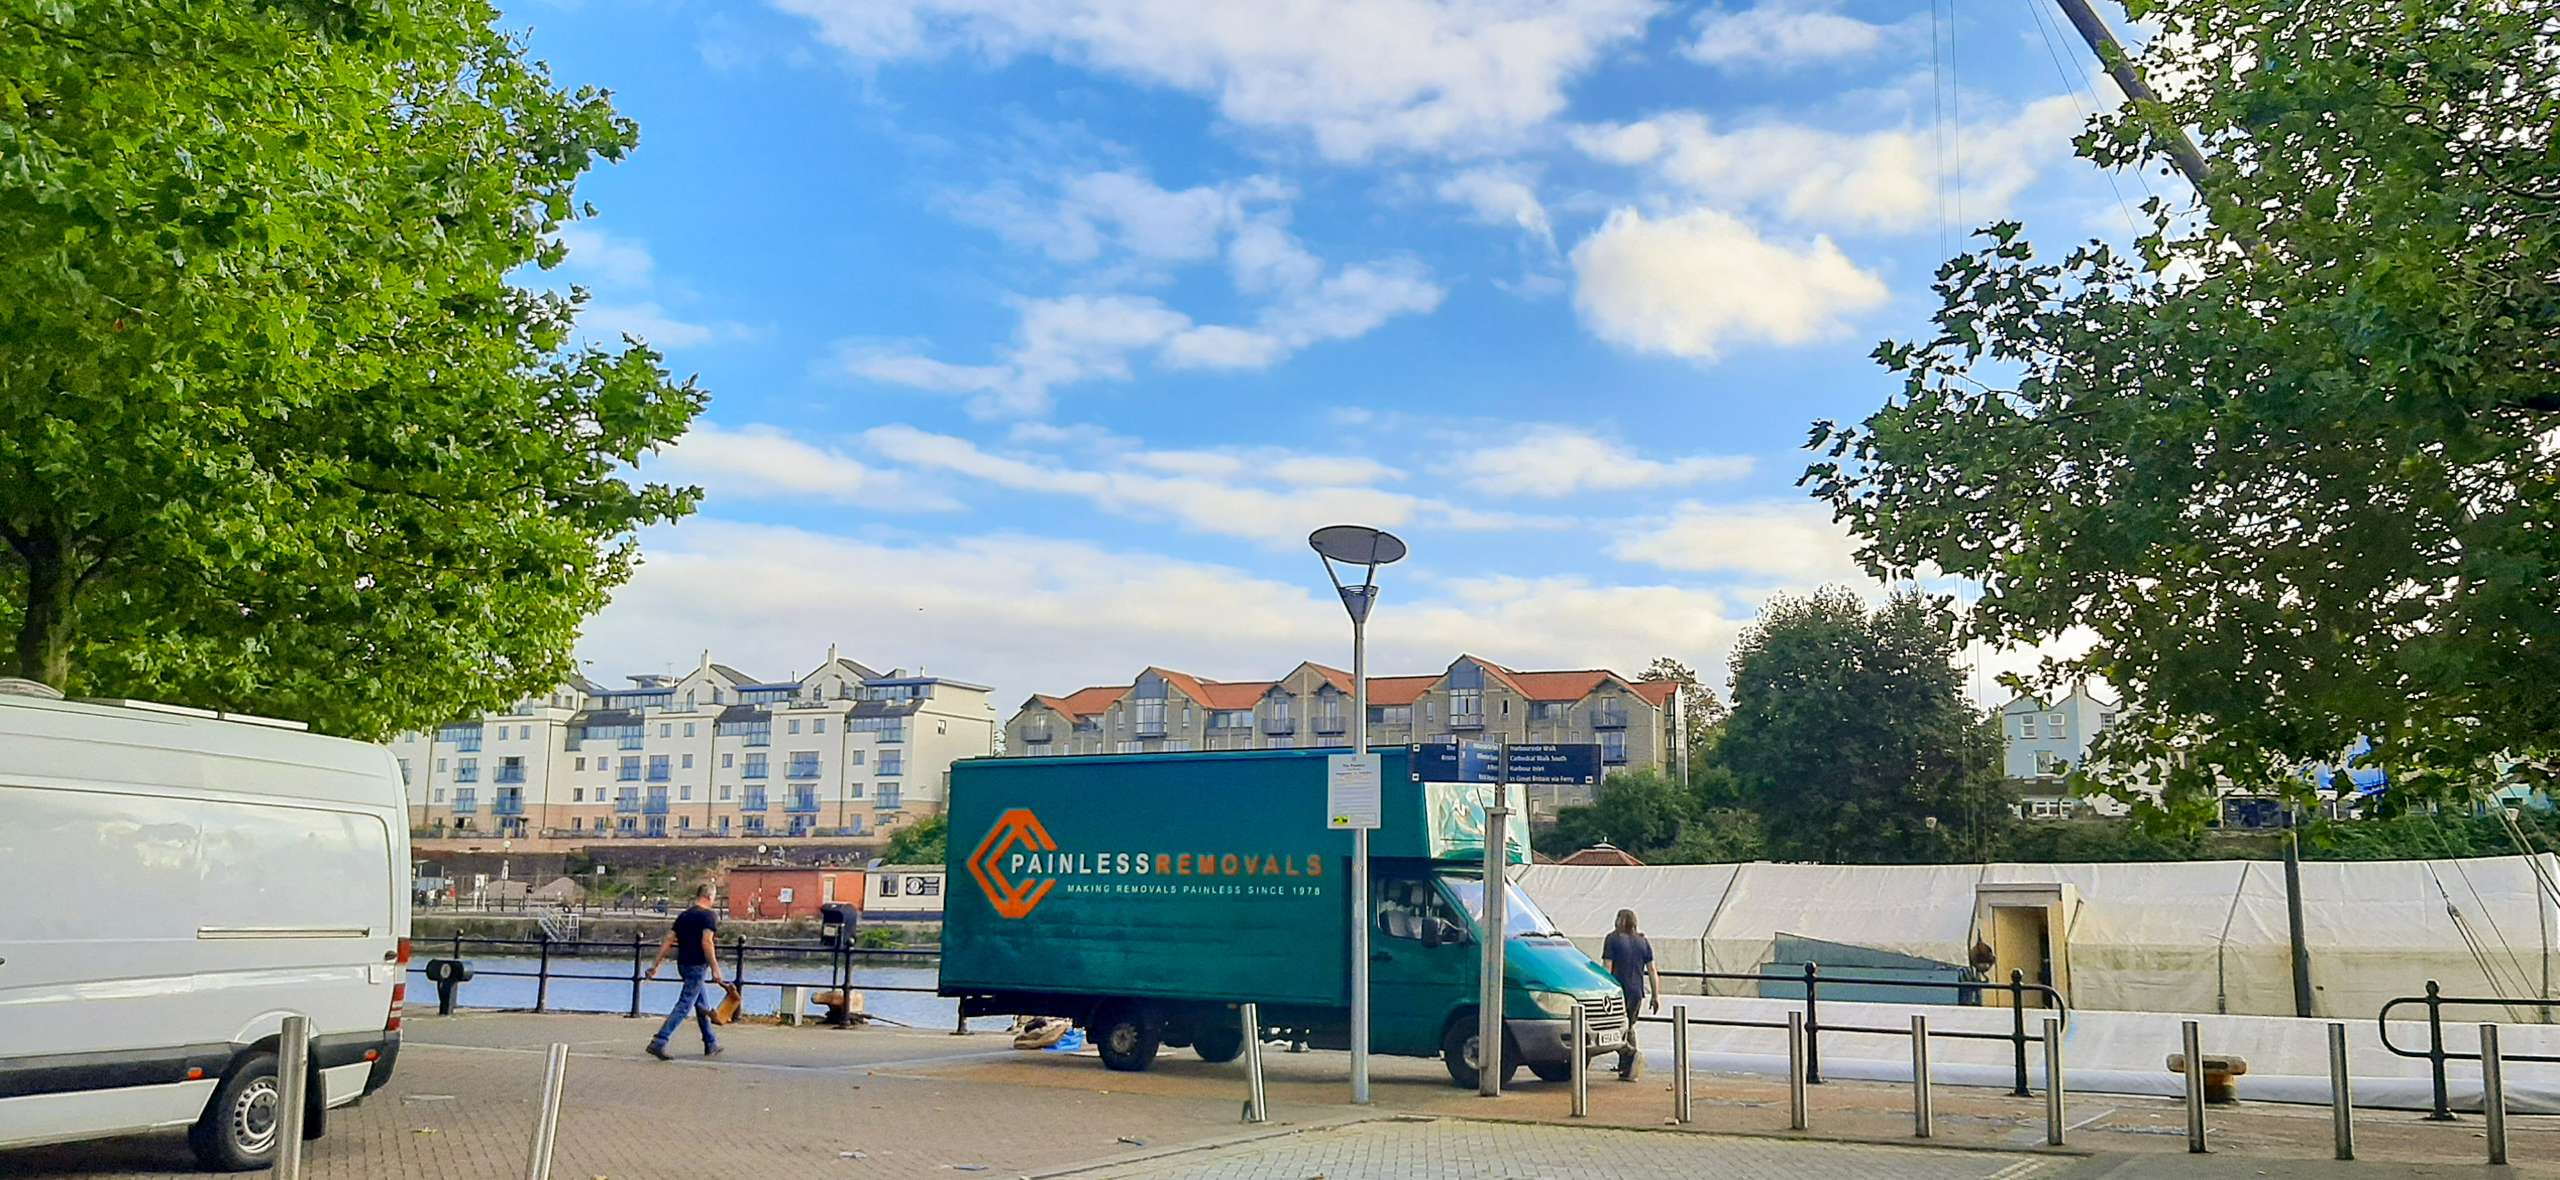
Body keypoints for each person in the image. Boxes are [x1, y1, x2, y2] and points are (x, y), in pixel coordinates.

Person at [643, 883, 728, 1059]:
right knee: (685, 1004)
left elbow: (668, 941)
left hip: (683, 964)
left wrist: (655, 965)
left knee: (701, 1003)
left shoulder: (684, 916)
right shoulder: (709, 916)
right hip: (697, 965)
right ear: (710, 896)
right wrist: (715, 968)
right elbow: (707, 942)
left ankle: (710, 1042)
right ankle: (660, 1040)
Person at [1601, 908, 1661, 1081]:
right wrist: (1655, 995)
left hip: (1618, 991)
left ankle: (1631, 1055)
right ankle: (1627, 1067)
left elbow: (1607, 968)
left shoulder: (1612, 939)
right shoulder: (1643, 941)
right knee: (1629, 1026)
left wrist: (1604, 992)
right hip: (1637, 992)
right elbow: (1651, 970)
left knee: (1613, 1027)